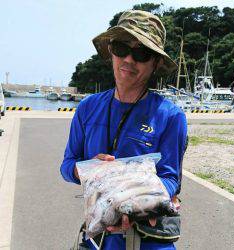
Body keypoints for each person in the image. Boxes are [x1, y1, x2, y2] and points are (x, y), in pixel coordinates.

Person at [61, 10, 187, 250]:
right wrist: (87, 171)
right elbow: (67, 165)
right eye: (121, 47)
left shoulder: (171, 116)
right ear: (111, 50)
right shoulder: (88, 107)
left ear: (156, 62)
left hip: (150, 240)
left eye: (141, 53)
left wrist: (136, 202)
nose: (129, 59)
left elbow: (171, 179)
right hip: (97, 238)